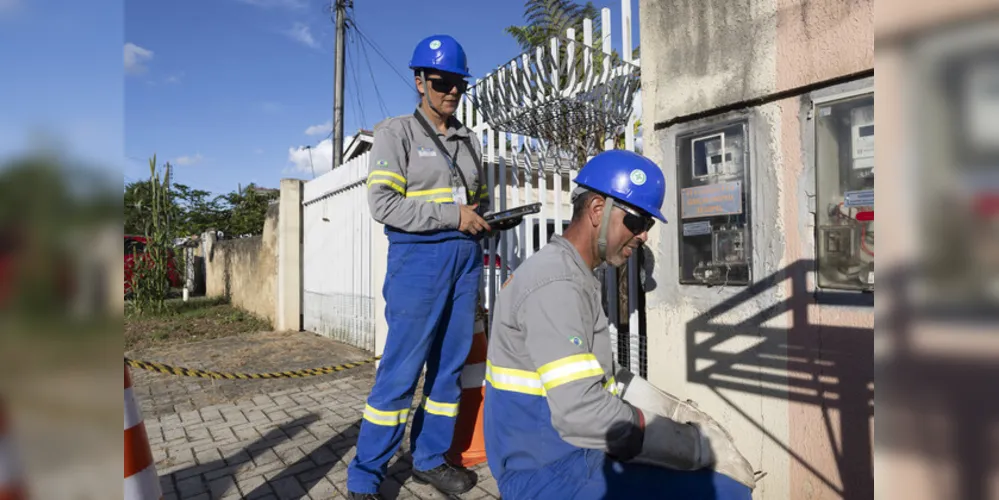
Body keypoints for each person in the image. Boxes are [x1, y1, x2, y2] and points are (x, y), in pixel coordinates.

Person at [482, 150, 758, 499]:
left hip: (564, 454)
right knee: (727, 492)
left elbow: (590, 378)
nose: (643, 235)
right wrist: (688, 446)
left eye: (648, 226)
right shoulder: (557, 285)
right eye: (637, 222)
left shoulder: (571, 275)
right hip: (549, 471)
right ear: (598, 210)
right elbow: (582, 414)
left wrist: (669, 411)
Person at [346, 34, 490, 500]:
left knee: (448, 369)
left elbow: (476, 203)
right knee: (401, 371)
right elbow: (383, 204)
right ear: (420, 81)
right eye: (441, 81)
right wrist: (453, 217)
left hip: (464, 261)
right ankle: (365, 474)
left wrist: (484, 223)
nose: (450, 91)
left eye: (458, 84)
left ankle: (429, 458)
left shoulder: (470, 142)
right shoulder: (396, 133)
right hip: (417, 261)